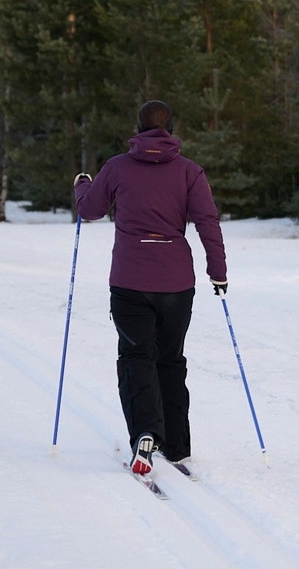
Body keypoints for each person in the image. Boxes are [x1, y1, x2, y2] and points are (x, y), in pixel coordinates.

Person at [74, 100, 227, 478]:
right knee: (170, 359)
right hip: (176, 283)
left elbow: (89, 210)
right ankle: (176, 445)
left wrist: (82, 186)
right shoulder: (189, 171)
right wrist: (218, 272)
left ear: (138, 129)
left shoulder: (117, 167)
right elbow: (207, 221)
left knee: (136, 356)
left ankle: (145, 432)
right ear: (170, 128)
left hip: (130, 281)